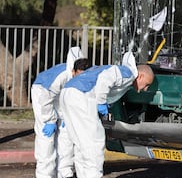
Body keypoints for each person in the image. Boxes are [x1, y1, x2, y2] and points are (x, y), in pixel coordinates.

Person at [59, 52, 154, 178]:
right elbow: (105, 79)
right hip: (81, 96)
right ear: (140, 76)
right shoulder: (127, 73)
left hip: (68, 93)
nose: (145, 89)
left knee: (81, 145)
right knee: (94, 144)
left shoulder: (119, 73)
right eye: (147, 84)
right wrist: (102, 102)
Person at [31, 47, 91, 178]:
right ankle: (44, 174)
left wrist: (65, 116)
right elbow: (46, 99)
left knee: (67, 134)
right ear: (73, 71)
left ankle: (64, 172)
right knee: (46, 137)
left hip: (59, 95)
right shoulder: (61, 77)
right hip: (42, 91)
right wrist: (49, 120)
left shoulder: (86, 76)